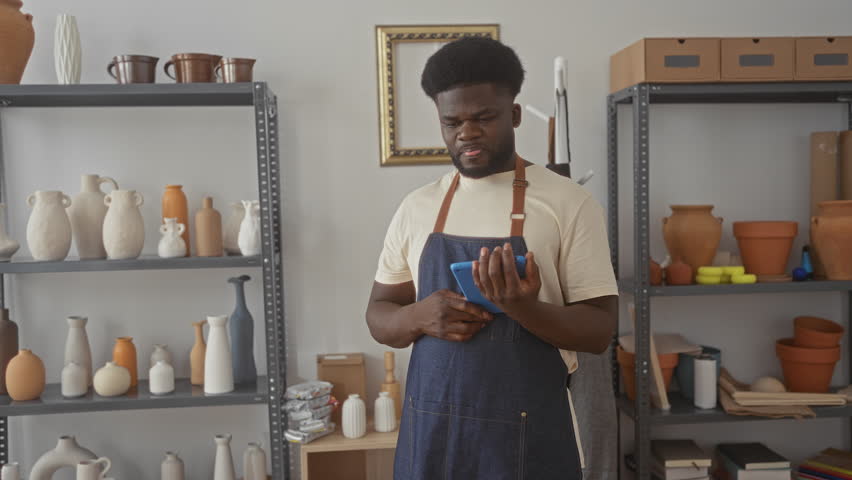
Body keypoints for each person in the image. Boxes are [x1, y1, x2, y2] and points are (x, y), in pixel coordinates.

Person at [365, 36, 618, 480]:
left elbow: (599, 331)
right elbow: (379, 315)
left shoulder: (568, 204)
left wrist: (523, 308)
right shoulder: (417, 208)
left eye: (483, 118)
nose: (467, 133)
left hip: (530, 442)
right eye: (452, 122)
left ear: (514, 114)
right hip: (432, 439)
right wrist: (420, 316)